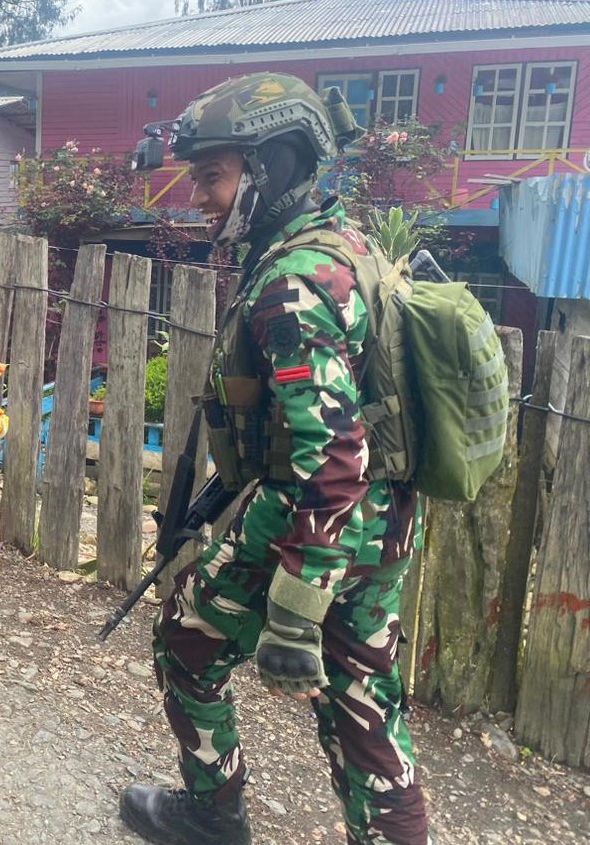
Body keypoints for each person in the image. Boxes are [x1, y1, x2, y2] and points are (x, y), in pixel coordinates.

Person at [118, 74, 428, 845]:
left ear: (273, 168)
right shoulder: (344, 245)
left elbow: (331, 454)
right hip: (383, 518)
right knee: (362, 699)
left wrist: (296, 606)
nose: (197, 196)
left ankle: (212, 816)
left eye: (213, 176)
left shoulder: (290, 283)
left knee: (186, 643)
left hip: (316, 517)